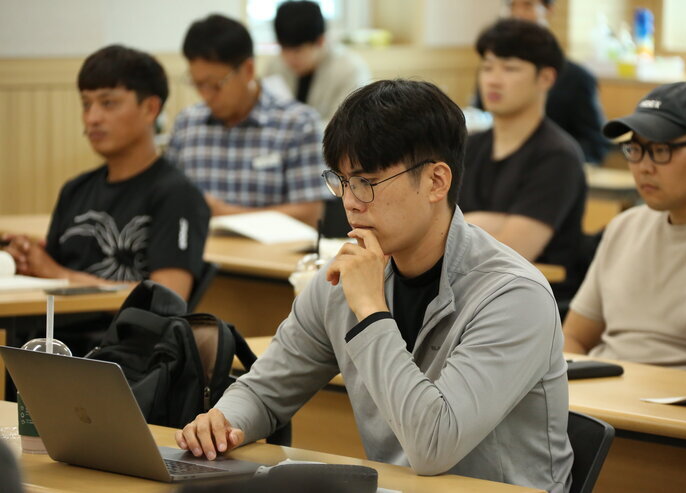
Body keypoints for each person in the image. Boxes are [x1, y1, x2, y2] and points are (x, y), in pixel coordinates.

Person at [176, 79, 573, 492]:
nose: (349, 201)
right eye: (342, 181)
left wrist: (370, 311)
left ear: (436, 181)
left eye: (367, 182)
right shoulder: (344, 277)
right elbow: (264, 392)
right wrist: (221, 422)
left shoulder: (514, 295)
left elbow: (433, 446)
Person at [2, 45, 209, 302]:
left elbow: (169, 300)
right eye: (86, 104)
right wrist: (25, 260)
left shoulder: (177, 194)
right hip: (55, 325)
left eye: (108, 103)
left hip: (120, 329)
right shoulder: (75, 189)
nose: (92, 118)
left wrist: (59, 275)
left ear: (150, 109)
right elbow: (47, 274)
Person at [563, 81, 686, 376]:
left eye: (661, 150)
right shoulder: (625, 226)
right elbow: (574, 337)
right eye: (635, 149)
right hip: (603, 396)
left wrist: (681, 400)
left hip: (684, 402)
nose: (644, 167)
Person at [460, 19, 586, 301]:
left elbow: (511, 253)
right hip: (468, 292)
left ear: (546, 78)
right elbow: (437, 231)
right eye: (487, 67)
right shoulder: (470, 146)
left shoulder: (558, 155)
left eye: (510, 68)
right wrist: (485, 224)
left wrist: (465, 224)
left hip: (532, 299)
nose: (493, 80)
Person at [166, 14, 328, 226]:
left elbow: (310, 214)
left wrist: (226, 214)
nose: (206, 95)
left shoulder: (297, 124)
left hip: (272, 248)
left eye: (215, 85)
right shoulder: (187, 124)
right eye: (198, 85)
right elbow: (166, 200)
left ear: (248, 70)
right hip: (198, 247)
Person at [473, 0, 610, 164]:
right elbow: (480, 115)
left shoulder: (577, 77)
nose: (517, 14)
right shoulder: (475, 146)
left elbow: (594, 143)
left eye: (527, 5)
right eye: (511, 6)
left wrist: (557, 160)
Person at [263, 0, 371, 123]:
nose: (289, 58)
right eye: (283, 48)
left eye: (297, 51)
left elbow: (346, 126)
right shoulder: (275, 66)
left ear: (320, 41)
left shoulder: (350, 70)